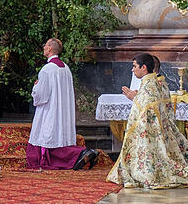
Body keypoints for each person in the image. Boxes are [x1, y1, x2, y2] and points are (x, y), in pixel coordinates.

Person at [107, 53, 188, 188]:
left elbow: (147, 107)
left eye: (134, 66)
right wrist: (137, 97)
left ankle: (147, 174)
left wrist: (134, 98)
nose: (132, 70)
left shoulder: (150, 84)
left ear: (143, 67)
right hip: (159, 128)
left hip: (150, 131)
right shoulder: (157, 82)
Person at [27, 38, 98, 170]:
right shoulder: (65, 68)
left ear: (50, 48)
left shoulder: (47, 69)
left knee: (48, 139)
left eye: (45, 45)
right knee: (59, 139)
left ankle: (79, 154)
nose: (43, 48)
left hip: (50, 110)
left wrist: (35, 88)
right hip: (63, 111)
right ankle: (81, 154)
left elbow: (41, 96)